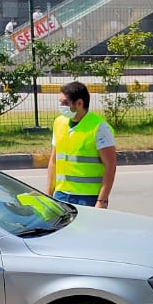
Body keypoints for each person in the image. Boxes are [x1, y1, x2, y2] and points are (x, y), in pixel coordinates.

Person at [47, 81, 117, 209]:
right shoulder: (59, 123)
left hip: (87, 197)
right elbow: (53, 161)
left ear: (79, 103)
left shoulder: (99, 127)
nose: (61, 106)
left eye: (65, 103)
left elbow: (110, 165)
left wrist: (102, 200)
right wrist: (49, 193)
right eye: (60, 102)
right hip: (61, 195)